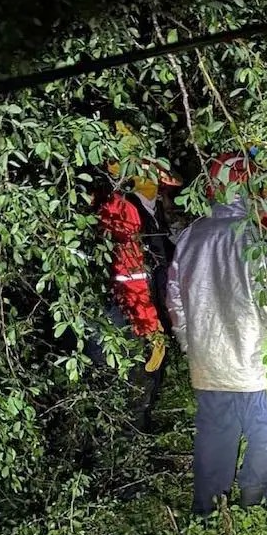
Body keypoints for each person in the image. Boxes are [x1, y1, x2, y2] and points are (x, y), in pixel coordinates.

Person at [166, 154, 267, 516]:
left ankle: (208, 507)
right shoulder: (261, 235)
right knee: (265, 432)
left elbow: (175, 299)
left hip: (209, 363)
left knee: (214, 435)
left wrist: (191, 346)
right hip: (259, 364)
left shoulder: (191, 235)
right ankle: (254, 502)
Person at [94, 161, 179, 432]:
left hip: (141, 302)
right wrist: (150, 325)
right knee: (135, 369)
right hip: (127, 307)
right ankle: (130, 433)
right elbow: (129, 276)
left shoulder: (145, 208)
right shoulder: (122, 209)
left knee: (143, 368)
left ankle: (134, 427)